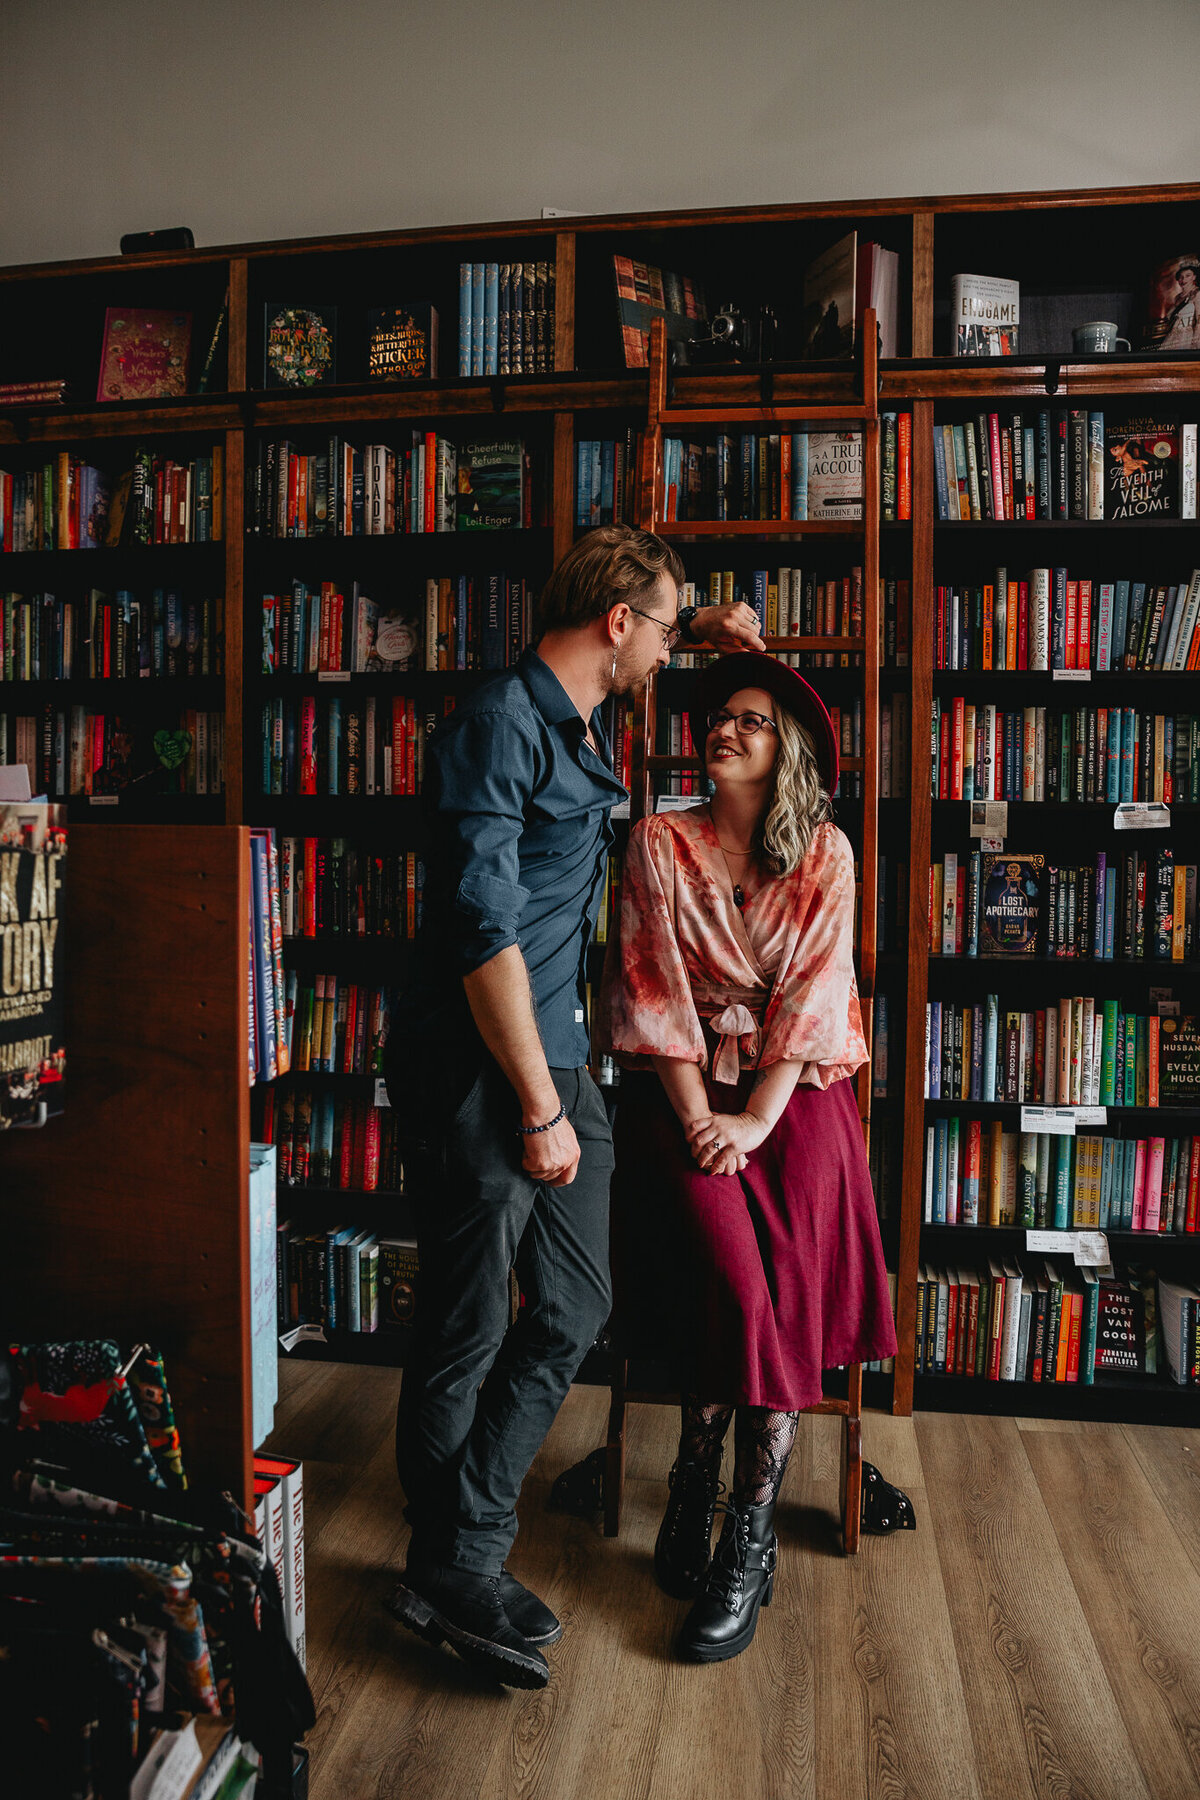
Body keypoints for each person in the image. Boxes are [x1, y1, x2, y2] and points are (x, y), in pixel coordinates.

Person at [383, 526, 764, 1689]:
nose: (670, 658)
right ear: (614, 624)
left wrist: (698, 622)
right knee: (467, 1325)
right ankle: (452, 1560)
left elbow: (651, 631)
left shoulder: (585, 716)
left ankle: (452, 1553)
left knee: (574, 1305)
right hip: (486, 1071)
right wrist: (540, 1108)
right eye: (661, 630)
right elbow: (481, 929)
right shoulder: (500, 725)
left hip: (561, 1060)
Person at [601, 651, 897, 1664]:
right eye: (720, 715)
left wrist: (757, 1122)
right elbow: (650, 997)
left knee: (785, 1278)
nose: (725, 729)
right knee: (737, 1278)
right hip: (687, 1095)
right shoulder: (656, 843)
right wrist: (699, 1120)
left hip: (793, 1097)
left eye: (753, 721)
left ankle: (746, 1528)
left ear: (789, 751)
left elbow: (816, 1007)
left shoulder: (826, 854)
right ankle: (695, 1475)